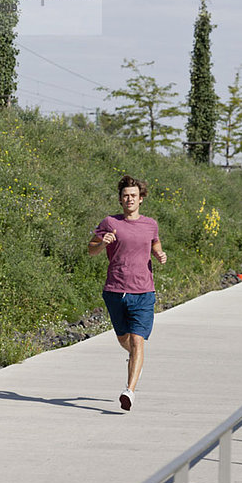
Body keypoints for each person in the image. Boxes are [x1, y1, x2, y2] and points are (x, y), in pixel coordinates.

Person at [88, 175, 167, 411]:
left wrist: (159, 254)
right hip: (115, 290)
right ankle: (135, 359)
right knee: (125, 340)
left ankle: (129, 391)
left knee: (137, 340)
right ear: (120, 199)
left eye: (133, 195)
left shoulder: (150, 224)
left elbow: (154, 242)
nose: (129, 199)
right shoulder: (110, 222)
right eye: (125, 195)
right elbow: (91, 249)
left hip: (144, 291)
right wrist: (103, 243)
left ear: (141, 199)